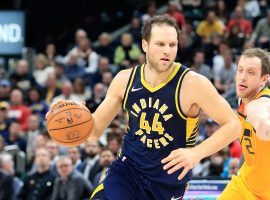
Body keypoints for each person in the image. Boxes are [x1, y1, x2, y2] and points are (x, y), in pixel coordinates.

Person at [48, 15, 241, 200]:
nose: (167, 50)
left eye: (172, 45)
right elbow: (94, 132)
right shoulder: (125, 79)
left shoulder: (193, 83)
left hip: (168, 181)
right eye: (160, 44)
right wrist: (74, 117)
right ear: (145, 45)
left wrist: (196, 153)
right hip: (128, 170)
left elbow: (233, 125)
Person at [219, 48, 270, 199]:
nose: (242, 77)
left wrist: (265, 128)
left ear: (263, 79)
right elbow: (250, 148)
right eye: (240, 70)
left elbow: (264, 125)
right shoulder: (243, 100)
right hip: (244, 185)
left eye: (251, 72)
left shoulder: (260, 103)